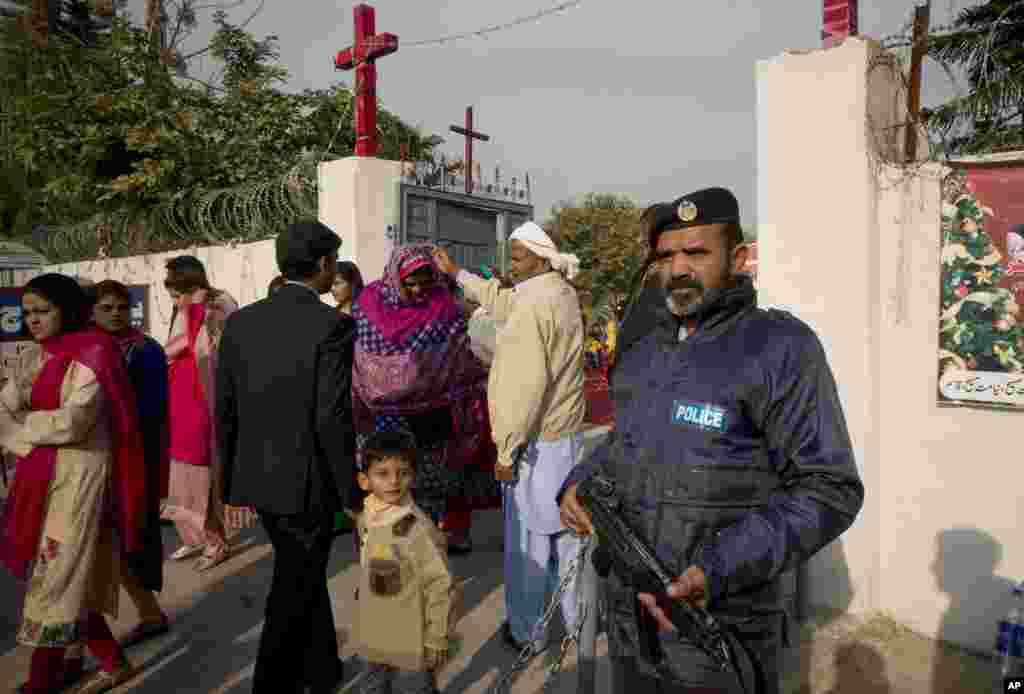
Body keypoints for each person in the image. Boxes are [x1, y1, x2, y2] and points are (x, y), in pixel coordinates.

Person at [557, 187, 865, 693]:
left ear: (738, 259)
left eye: (696, 253)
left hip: (719, 626)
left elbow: (830, 489)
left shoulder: (780, 348)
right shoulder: (645, 348)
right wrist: (579, 480)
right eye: (665, 256)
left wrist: (718, 568)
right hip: (630, 618)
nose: (677, 268)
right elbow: (625, 442)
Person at [433, 222, 587, 653]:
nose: (512, 265)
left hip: (535, 443)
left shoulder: (536, 305)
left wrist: (506, 449)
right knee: (568, 539)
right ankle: (578, 626)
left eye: (518, 257)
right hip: (564, 437)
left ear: (542, 256)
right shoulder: (554, 292)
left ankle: (527, 633)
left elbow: (524, 385)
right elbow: (505, 303)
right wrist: (460, 274)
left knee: (529, 545)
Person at [216, 220, 355, 694]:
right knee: (295, 584)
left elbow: (226, 409)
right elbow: (331, 418)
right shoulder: (332, 326)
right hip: (307, 483)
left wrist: (231, 484)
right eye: (332, 263)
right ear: (322, 265)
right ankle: (273, 683)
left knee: (303, 573)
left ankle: (322, 669)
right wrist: (350, 492)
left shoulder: (240, 322)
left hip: (259, 478)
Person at [0, 274, 148, 694]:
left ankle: (42, 682)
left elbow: (74, 421)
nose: (33, 320)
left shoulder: (94, 351)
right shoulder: (36, 355)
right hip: (43, 472)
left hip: (82, 477)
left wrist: (21, 426)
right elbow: (4, 405)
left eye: (43, 311)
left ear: (66, 308)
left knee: (57, 577)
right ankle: (111, 660)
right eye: (28, 313)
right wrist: (23, 426)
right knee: (68, 573)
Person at [352, 245, 499, 555]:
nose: (418, 289)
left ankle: (426, 548)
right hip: (386, 414)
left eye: (425, 281)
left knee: (432, 482)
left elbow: (458, 352)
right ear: (395, 277)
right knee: (391, 483)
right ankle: (391, 549)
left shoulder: (443, 304)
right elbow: (363, 357)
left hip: (434, 411)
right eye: (410, 282)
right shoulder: (369, 303)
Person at [92, 280, 172, 647]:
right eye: (106, 308)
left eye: (121, 307)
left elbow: (153, 414)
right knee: (107, 542)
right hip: (97, 457)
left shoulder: (145, 350)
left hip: (133, 459)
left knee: (126, 540)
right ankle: (149, 613)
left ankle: (148, 614)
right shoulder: (90, 347)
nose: (115, 314)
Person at [353, 431, 453, 694]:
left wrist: (436, 638)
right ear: (365, 480)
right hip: (374, 635)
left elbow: (439, 584)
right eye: (383, 473)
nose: (394, 481)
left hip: (411, 641)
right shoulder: (368, 514)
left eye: (403, 472)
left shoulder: (413, 528)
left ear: (414, 476)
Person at [160, 255, 238, 572]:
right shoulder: (184, 307)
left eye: (174, 287)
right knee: (182, 470)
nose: (171, 294)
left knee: (204, 472)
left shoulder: (219, 305)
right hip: (181, 398)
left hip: (206, 398)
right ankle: (194, 536)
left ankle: (216, 541)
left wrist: (197, 312)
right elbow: (174, 347)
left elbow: (216, 350)